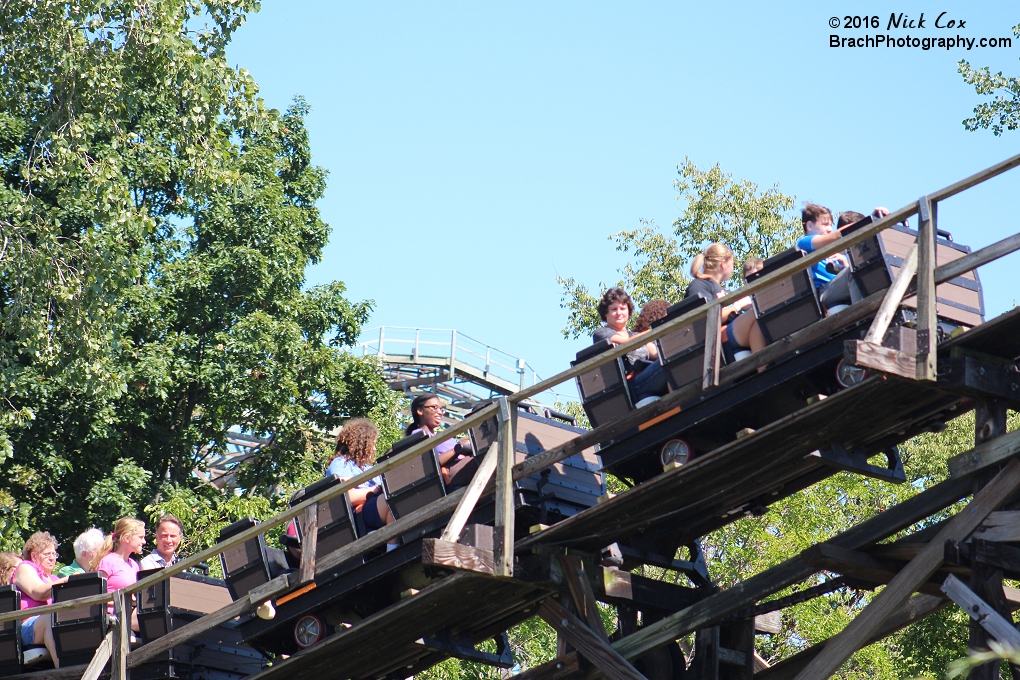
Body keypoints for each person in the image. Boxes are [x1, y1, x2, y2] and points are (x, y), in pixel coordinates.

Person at [796, 203, 889, 310]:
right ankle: (862, 317)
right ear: (810, 226)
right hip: (824, 293)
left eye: (831, 225)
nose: (830, 229)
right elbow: (838, 236)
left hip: (839, 288)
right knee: (854, 271)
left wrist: (845, 264)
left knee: (868, 268)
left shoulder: (833, 251)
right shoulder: (805, 243)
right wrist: (869, 220)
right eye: (825, 224)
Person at [684, 244, 766, 359]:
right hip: (721, 339)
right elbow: (705, 320)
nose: (733, 268)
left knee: (763, 313)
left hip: (739, 331)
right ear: (723, 264)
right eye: (732, 263)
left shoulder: (726, 291)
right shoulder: (699, 285)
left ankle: (764, 368)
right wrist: (737, 306)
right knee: (757, 313)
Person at [592, 288, 668, 403]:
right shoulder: (602, 333)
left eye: (623, 308)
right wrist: (652, 332)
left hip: (649, 376)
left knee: (671, 358)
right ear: (605, 313)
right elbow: (628, 343)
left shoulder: (636, 335)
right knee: (665, 364)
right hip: (632, 386)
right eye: (614, 309)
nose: (619, 313)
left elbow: (655, 353)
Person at [326, 418, 396, 541]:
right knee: (390, 499)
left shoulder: (369, 468)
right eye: (372, 444)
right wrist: (376, 489)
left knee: (399, 496)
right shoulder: (341, 464)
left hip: (375, 507)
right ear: (361, 443)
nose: (374, 449)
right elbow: (348, 496)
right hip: (358, 516)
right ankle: (391, 548)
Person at [11, 532, 67, 666]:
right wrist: (67, 581)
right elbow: (38, 592)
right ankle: (63, 670)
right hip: (26, 627)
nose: (52, 558)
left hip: (49, 624)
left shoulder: (54, 579)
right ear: (34, 556)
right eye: (47, 554)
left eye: (54, 554)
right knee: (50, 618)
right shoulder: (25, 568)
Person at [405, 394, 479, 488]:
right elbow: (430, 464)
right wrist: (458, 448)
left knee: (479, 409)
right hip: (452, 473)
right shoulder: (418, 435)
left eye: (441, 409)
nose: (439, 412)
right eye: (434, 408)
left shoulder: (439, 437)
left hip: (464, 466)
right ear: (420, 411)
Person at [92, 517, 146, 629]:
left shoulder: (134, 565)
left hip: (129, 614)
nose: (144, 541)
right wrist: (124, 600)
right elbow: (97, 596)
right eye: (141, 537)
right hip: (114, 616)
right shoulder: (108, 562)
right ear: (126, 538)